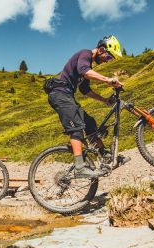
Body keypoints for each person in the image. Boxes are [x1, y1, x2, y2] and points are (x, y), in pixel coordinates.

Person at [47, 35, 130, 178]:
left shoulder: (88, 64)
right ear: (101, 50)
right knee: (77, 128)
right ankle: (79, 167)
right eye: (108, 57)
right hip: (59, 95)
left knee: (90, 123)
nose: (107, 61)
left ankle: (105, 156)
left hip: (67, 96)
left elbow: (85, 90)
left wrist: (104, 100)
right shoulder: (85, 54)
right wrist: (107, 79)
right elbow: (84, 70)